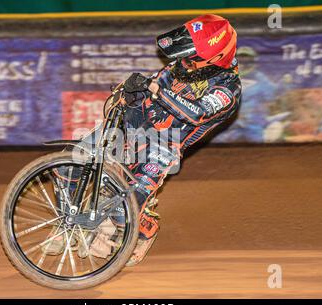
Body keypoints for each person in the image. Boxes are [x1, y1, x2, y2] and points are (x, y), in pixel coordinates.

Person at [44, 14, 242, 266]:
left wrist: (156, 90)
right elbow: (149, 91)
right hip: (130, 127)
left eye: (193, 59)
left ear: (214, 59)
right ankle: (66, 224)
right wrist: (131, 92)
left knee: (124, 203)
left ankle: (145, 228)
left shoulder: (228, 88)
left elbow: (196, 113)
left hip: (164, 144)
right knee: (66, 167)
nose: (185, 62)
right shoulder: (180, 67)